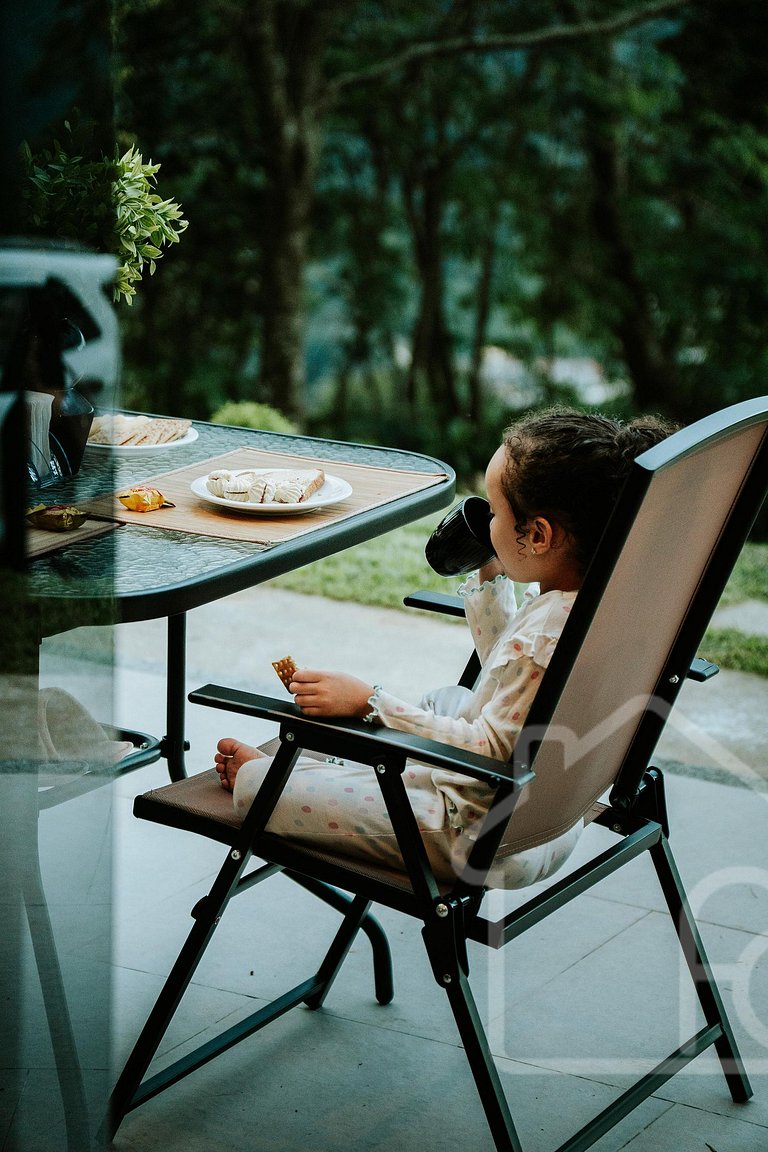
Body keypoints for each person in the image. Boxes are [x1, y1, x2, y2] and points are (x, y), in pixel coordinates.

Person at [214, 408, 673, 888]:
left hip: (477, 836)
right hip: (554, 815)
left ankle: (280, 776)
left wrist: (370, 702)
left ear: (537, 535)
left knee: (263, 790)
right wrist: (492, 571)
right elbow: (518, 673)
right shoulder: (601, 600)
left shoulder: (553, 630)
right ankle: (353, 763)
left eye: (495, 512)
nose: (487, 520)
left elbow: (492, 752)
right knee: (445, 701)